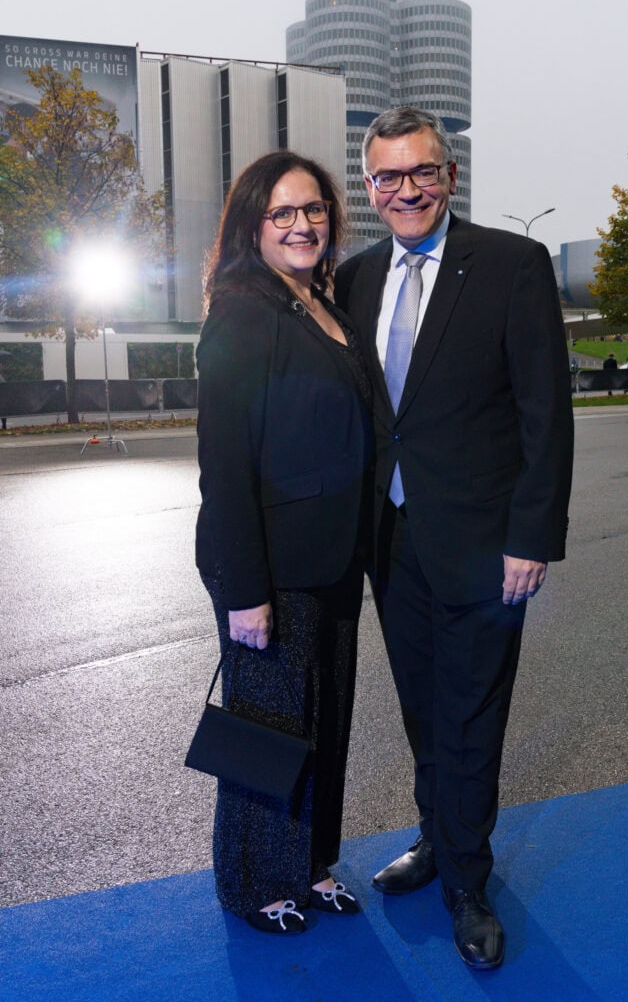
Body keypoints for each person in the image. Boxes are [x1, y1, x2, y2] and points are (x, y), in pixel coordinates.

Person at [334, 107, 574, 971]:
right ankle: (438, 837)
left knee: (472, 712)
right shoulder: (356, 278)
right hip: (391, 542)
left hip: (484, 546)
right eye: (388, 177)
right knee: (423, 708)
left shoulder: (513, 265)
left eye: (421, 172)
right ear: (370, 188)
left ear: (450, 176)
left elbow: (546, 413)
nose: (407, 190)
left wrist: (532, 537)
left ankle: (468, 883)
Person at [195, 151, 373, 935]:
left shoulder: (320, 305)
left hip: (333, 557)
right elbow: (224, 466)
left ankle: (311, 863)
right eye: (283, 213)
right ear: (253, 226)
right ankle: (253, 883)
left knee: (326, 718)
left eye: (314, 210)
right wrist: (244, 593)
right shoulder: (242, 311)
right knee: (267, 731)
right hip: (267, 565)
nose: (303, 225)